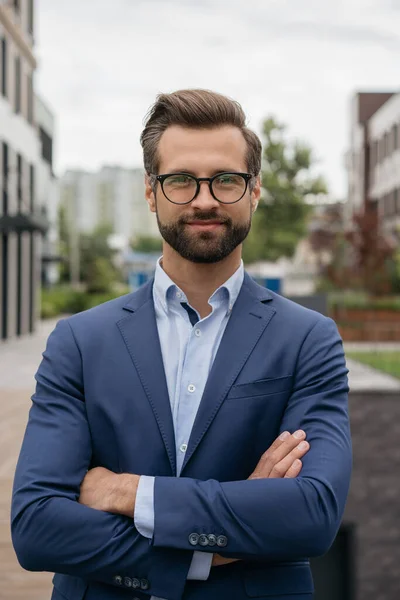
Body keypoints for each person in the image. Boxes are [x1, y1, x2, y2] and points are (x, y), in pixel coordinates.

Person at [11, 89, 352, 600]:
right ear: (151, 193)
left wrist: (129, 492)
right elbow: (37, 528)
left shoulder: (309, 339)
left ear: (254, 191)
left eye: (227, 180)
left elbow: (312, 515)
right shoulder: (79, 341)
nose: (205, 199)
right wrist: (212, 547)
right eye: (181, 181)